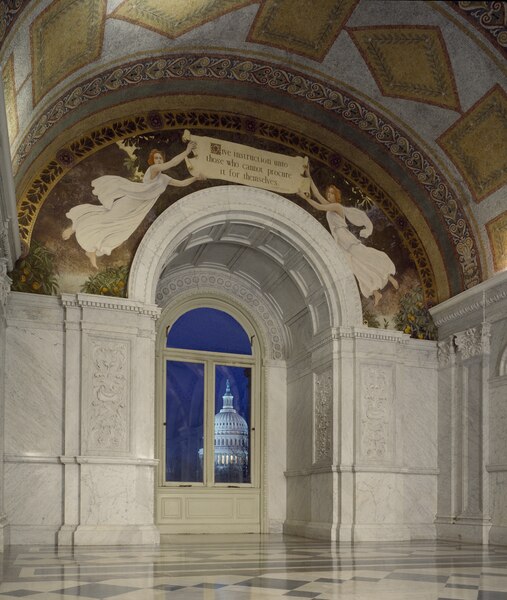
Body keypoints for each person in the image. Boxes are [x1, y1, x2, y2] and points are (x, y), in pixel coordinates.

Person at [62, 142, 203, 268]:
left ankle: (92, 250)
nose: (158, 160)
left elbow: (182, 183)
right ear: (153, 161)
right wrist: (187, 150)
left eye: (160, 158)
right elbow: (171, 163)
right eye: (156, 158)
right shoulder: (153, 169)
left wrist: (196, 178)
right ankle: (74, 227)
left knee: (121, 232)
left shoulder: (165, 178)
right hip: (131, 201)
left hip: (139, 209)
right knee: (108, 217)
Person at [301, 171, 398, 306]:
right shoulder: (330, 207)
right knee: (356, 267)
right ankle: (375, 292)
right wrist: (309, 177)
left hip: (346, 238)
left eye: (332, 193)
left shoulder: (337, 206)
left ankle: (389, 276)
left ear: (336, 196)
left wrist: (305, 198)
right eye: (328, 193)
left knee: (366, 256)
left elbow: (318, 206)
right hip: (340, 242)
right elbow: (317, 194)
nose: (329, 195)